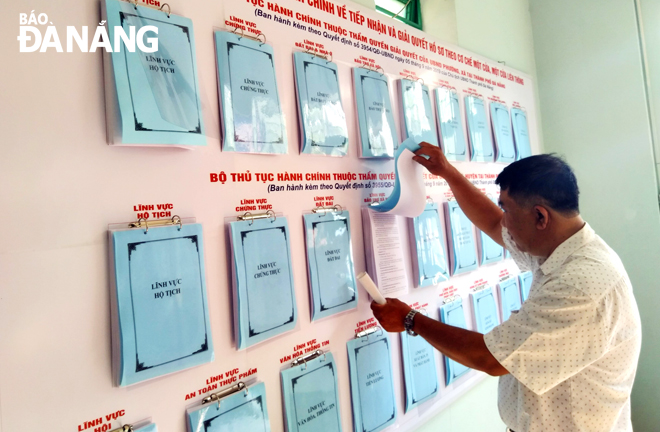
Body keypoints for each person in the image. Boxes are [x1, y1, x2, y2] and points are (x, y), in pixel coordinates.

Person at [370, 143, 642, 432]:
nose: (505, 222)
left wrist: (410, 320)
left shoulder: (581, 283)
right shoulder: (556, 247)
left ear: (540, 217)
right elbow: (492, 222)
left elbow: (489, 358)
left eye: (507, 210)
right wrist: (447, 172)